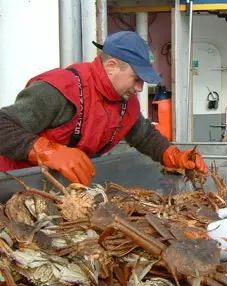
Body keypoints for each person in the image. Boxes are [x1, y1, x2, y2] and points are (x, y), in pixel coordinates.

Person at [0, 31, 207, 185]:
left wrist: (174, 155)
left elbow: (145, 137)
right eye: (136, 79)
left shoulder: (125, 102)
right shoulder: (61, 89)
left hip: (60, 188)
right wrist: (49, 152)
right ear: (111, 66)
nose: (139, 88)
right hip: (14, 182)